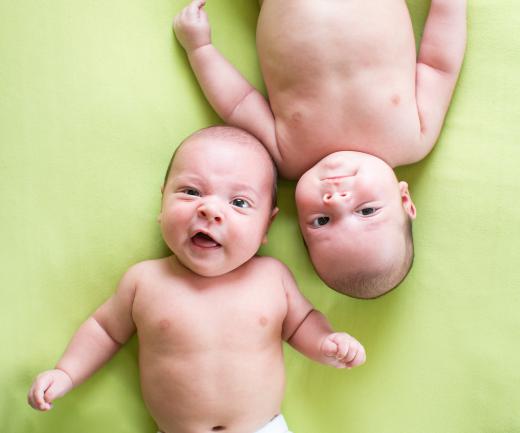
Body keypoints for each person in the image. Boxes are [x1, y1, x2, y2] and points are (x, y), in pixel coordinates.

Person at [27, 126, 366, 433]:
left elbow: (301, 323)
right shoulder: (145, 281)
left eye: (238, 202)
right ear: (162, 202)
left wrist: (325, 343)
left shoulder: (271, 277)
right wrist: (66, 372)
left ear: (267, 226)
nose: (210, 210)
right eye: (190, 192)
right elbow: (104, 330)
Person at [172, 0, 467, 298]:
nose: (336, 199)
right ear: (405, 200)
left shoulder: (286, 156)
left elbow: (238, 102)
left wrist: (200, 50)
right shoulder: (413, 139)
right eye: (366, 210)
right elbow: (439, 65)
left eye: (322, 221)